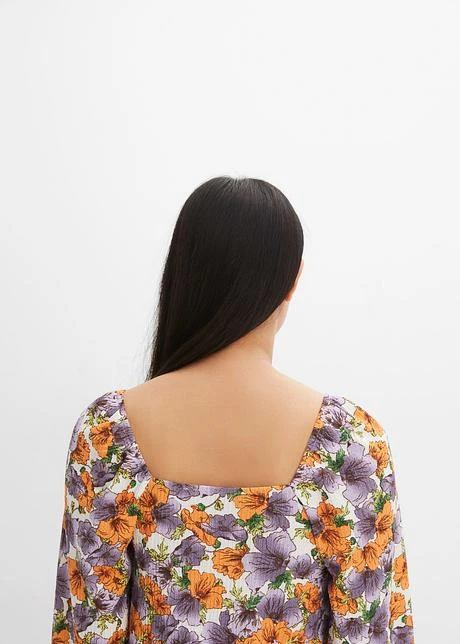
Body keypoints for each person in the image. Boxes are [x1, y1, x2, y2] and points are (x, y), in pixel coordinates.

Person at [51, 176, 415, 643]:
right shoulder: (349, 444)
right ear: (293, 280)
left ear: (182, 273)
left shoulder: (108, 433)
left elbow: (87, 629)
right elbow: (370, 633)